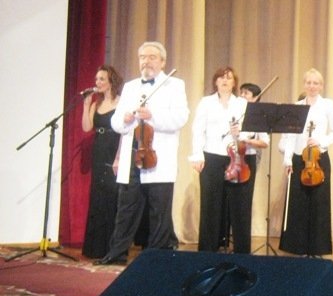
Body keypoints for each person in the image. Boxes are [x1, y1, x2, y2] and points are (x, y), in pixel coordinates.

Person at [95, 41, 189, 265]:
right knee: (126, 208)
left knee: (159, 209)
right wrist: (125, 119)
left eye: (152, 57)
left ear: (163, 62)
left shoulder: (175, 85)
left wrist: (152, 115)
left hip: (157, 155)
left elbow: (181, 118)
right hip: (132, 154)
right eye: (142, 57)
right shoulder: (130, 86)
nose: (146, 61)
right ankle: (116, 254)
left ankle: (156, 258)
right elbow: (116, 123)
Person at [189, 67, 265, 254]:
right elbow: (198, 130)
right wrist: (197, 155)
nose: (224, 81)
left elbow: (253, 131)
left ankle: (242, 252)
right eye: (221, 78)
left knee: (241, 206)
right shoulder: (206, 102)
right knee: (210, 205)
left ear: (234, 83)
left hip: (240, 157)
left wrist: (240, 133)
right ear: (215, 81)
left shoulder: (243, 104)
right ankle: (207, 252)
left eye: (229, 78)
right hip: (213, 157)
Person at [278, 68, 333, 257]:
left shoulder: (328, 105)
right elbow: (290, 135)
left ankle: (317, 248)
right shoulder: (296, 106)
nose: (312, 86)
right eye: (309, 82)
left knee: (319, 204)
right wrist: (287, 159)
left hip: (318, 159)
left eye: (316, 83)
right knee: (297, 204)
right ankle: (297, 248)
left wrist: (320, 141)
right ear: (304, 84)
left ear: (321, 86)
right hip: (299, 159)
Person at [80, 65, 122, 259]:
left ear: (111, 81)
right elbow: (86, 127)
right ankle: (94, 247)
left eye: (102, 79)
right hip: (99, 150)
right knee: (97, 196)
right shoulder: (96, 104)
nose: (97, 82)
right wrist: (86, 105)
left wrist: (118, 157)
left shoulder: (121, 102)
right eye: (96, 79)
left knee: (111, 196)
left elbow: (124, 132)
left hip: (113, 149)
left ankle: (110, 247)